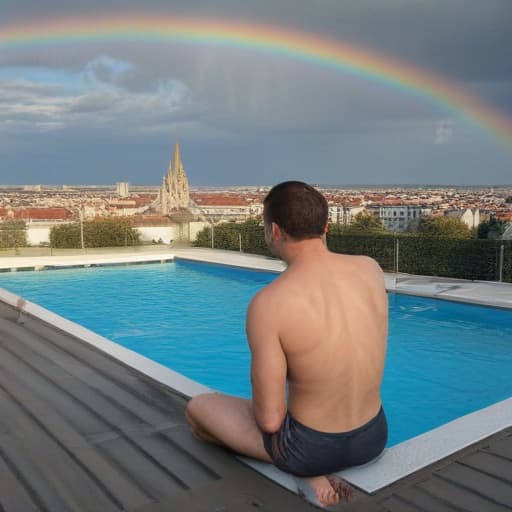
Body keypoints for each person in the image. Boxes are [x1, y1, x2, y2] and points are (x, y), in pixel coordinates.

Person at [185, 181, 388, 507]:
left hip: (309, 450)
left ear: (274, 231)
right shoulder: (371, 269)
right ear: (325, 227)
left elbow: (269, 421)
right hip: (373, 437)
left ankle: (309, 472)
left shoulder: (270, 303)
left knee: (198, 410)